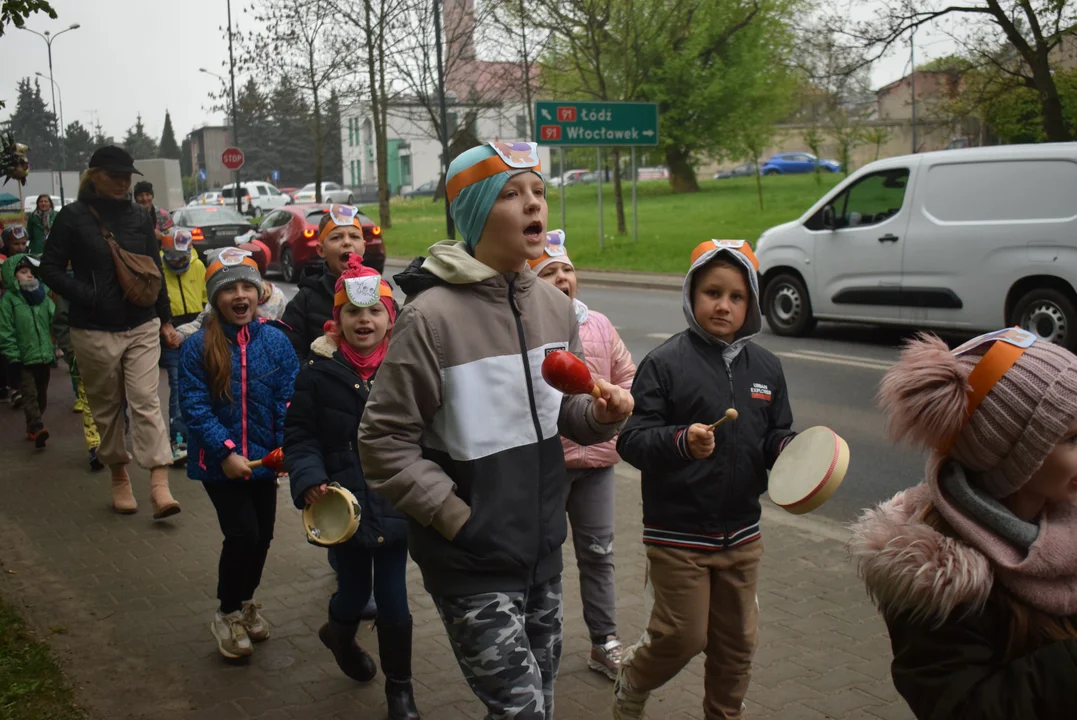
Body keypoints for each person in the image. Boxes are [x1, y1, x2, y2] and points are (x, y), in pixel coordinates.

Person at [357, 141, 634, 720]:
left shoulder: (555, 310)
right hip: (471, 560)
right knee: (522, 711)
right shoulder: (430, 319)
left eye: (537, 191)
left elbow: (560, 412)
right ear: (478, 211)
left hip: (540, 550)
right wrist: (459, 518)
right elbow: (382, 445)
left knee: (541, 702)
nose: (533, 204)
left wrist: (601, 414)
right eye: (512, 194)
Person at [850, 329, 1077, 719]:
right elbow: (963, 707)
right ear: (1016, 455)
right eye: (1073, 438)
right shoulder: (940, 576)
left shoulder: (1063, 510)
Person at [613, 240, 796, 720]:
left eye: (736, 297)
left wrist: (792, 451)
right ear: (692, 294)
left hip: (743, 532)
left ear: (750, 304)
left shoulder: (768, 368)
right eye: (712, 292)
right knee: (684, 635)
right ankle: (634, 678)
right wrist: (680, 441)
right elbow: (631, 441)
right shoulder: (665, 363)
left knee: (737, 644)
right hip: (678, 533)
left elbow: (775, 434)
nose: (723, 305)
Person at [284, 255, 419, 719]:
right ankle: (339, 634)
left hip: (394, 501)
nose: (365, 320)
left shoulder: (405, 368)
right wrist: (309, 479)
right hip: (343, 508)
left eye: (375, 311)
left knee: (395, 604)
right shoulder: (316, 373)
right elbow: (300, 436)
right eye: (353, 312)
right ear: (337, 319)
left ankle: (400, 692)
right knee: (352, 592)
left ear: (390, 318)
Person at [39, 146, 182, 519]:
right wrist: (89, 295)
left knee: (145, 399)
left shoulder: (140, 217)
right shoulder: (71, 218)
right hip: (93, 328)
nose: (123, 183)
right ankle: (119, 475)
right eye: (114, 176)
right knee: (107, 407)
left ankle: (158, 483)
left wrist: (165, 320)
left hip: (141, 324)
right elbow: (49, 267)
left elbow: (155, 272)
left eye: (127, 177)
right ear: (95, 175)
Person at [179, 247, 298, 660]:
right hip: (220, 465)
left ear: (260, 292)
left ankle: (245, 603)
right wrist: (226, 452)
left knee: (263, 537)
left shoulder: (277, 342)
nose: (240, 295)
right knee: (242, 533)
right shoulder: (196, 347)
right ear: (215, 297)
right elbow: (193, 406)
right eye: (230, 288)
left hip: (265, 461)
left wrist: (286, 446)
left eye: (248, 285)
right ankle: (226, 612)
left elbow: (288, 398)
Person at [530, 229, 635, 681]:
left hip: (597, 464)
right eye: (548, 272)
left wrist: (617, 406)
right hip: (546, 467)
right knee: (543, 554)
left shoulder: (600, 325)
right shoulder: (527, 329)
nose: (561, 278)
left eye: (567, 270)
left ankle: (604, 641)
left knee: (598, 551)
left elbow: (628, 376)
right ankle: (542, 643)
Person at [281, 205, 366, 363]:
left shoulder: (381, 291)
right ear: (321, 250)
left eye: (354, 236)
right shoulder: (306, 300)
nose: (347, 242)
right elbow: (290, 355)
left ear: (364, 246)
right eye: (336, 237)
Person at [160, 230, 207, 464]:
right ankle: (179, 439)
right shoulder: (158, 269)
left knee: (202, 384)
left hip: (198, 328)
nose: (180, 262)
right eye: (174, 256)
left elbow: (207, 299)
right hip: (170, 331)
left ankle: (203, 437)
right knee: (177, 385)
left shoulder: (198, 266)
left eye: (184, 256)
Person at [0, 254, 56, 448]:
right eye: (24, 272)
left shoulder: (42, 297)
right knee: (29, 393)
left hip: (43, 355)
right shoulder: (9, 301)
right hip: (23, 358)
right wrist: (12, 356)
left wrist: (56, 345)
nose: (29, 276)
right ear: (13, 276)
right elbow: (5, 330)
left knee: (42, 393)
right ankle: (37, 426)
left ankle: (33, 424)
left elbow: (55, 320)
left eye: (31, 272)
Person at [52, 287, 104, 471]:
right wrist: (71, 352)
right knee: (89, 402)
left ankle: (111, 442)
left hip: (112, 352)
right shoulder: (69, 286)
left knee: (114, 401)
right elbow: (60, 322)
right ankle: (95, 447)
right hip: (83, 354)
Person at [133, 180, 173, 245]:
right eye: (140, 195)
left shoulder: (164, 216)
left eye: (147, 194)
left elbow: (174, 240)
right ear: (135, 198)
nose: (144, 198)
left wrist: (162, 237)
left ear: (152, 196)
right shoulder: (130, 216)